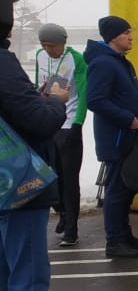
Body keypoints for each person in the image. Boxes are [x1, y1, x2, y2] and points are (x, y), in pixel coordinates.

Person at [0, 17, 88, 291]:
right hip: (20, 187)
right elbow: (38, 121)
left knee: (5, 278)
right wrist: (54, 100)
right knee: (28, 279)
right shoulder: (3, 63)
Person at [85, 14, 138, 259]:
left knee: (128, 187)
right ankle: (114, 241)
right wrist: (127, 118)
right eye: (126, 33)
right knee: (116, 190)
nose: (131, 37)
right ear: (113, 37)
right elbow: (95, 100)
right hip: (118, 138)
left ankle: (125, 234)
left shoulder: (121, 61)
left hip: (131, 136)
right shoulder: (103, 63)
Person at [33, 23, 87, 247]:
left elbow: (83, 92)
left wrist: (78, 123)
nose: (48, 49)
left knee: (69, 179)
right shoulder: (40, 56)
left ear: (63, 43)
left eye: (52, 46)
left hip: (68, 122)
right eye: (44, 45)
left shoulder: (76, 59)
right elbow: (38, 85)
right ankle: (62, 212)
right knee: (51, 175)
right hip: (48, 122)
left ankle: (71, 229)